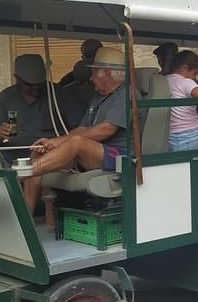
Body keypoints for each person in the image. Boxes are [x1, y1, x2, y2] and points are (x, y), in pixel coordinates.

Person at [20, 47, 138, 214]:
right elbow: (82, 128)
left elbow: (105, 130)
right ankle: (25, 221)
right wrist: (54, 143)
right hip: (97, 152)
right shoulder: (100, 95)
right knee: (42, 154)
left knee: (77, 143)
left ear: (109, 74)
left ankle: (17, 175)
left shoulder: (127, 95)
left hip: (120, 156)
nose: (91, 78)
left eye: (95, 73)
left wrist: (61, 142)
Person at [0, 54, 61, 167]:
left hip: (50, 151)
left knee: (36, 164)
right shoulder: (7, 97)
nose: (35, 88)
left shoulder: (58, 94)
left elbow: (79, 131)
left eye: (39, 84)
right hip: (14, 151)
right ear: (17, 78)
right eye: (29, 84)